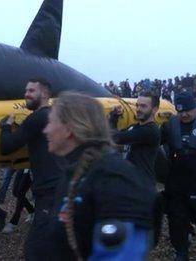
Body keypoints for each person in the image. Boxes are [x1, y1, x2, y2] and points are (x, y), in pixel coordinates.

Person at [39, 92, 155, 260]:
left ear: (69, 128)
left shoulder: (115, 179)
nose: (46, 129)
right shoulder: (73, 172)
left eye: (50, 122)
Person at [0, 78, 64, 258]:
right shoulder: (55, 115)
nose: (26, 94)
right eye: (26, 90)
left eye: (31, 91)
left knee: (34, 250)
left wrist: (5, 127)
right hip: (63, 186)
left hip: (49, 192)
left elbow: (6, 148)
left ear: (44, 94)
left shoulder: (36, 118)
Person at [160, 92, 196, 260]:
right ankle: (181, 250)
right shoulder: (170, 125)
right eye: (180, 111)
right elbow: (153, 141)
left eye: (188, 110)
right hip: (177, 179)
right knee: (176, 217)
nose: (184, 114)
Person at [109, 91, 161, 180]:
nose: (138, 109)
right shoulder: (137, 126)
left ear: (154, 109)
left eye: (143, 106)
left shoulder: (150, 131)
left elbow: (116, 138)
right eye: (137, 105)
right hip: (133, 179)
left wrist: (113, 117)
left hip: (142, 183)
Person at [2, 169, 34, 234]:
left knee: (20, 192)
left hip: (31, 169)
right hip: (22, 167)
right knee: (15, 192)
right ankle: (32, 211)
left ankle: (13, 222)